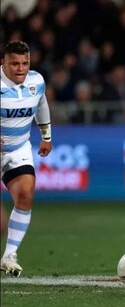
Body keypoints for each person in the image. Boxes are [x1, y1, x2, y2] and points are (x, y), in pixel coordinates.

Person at [0, 41, 53, 276]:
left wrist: (46, 136)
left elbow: (41, 104)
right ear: (3, 62)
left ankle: (9, 255)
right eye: (14, 64)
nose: (21, 68)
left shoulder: (36, 81)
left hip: (18, 147)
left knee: (25, 194)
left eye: (25, 63)